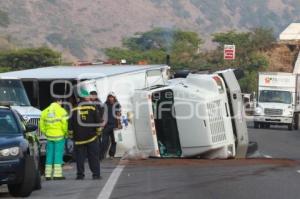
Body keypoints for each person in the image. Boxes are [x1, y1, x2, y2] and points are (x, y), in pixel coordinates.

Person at [69, 88, 102, 180]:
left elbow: (70, 124)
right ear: (85, 97)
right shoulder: (92, 107)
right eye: (87, 95)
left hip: (79, 138)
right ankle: (96, 174)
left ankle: (80, 175)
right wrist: (98, 133)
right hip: (91, 137)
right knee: (93, 156)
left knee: (80, 157)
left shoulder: (74, 109)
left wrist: (72, 136)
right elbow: (98, 121)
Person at [40, 98, 68, 180]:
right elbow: (64, 125)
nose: (61, 103)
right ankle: (57, 175)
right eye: (61, 101)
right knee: (58, 155)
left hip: (49, 136)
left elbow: (41, 125)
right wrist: (65, 133)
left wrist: (46, 132)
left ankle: (47, 175)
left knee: (49, 155)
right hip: (59, 136)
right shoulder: (62, 111)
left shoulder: (44, 111)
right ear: (58, 101)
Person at [99, 92, 122, 160]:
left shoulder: (117, 105)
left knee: (114, 141)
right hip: (106, 126)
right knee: (104, 142)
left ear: (114, 97)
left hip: (114, 125)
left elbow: (118, 115)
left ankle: (111, 155)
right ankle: (101, 155)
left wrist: (119, 124)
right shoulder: (105, 104)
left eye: (112, 97)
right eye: (109, 97)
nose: (110, 98)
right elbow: (102, 115)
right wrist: (102, 124)